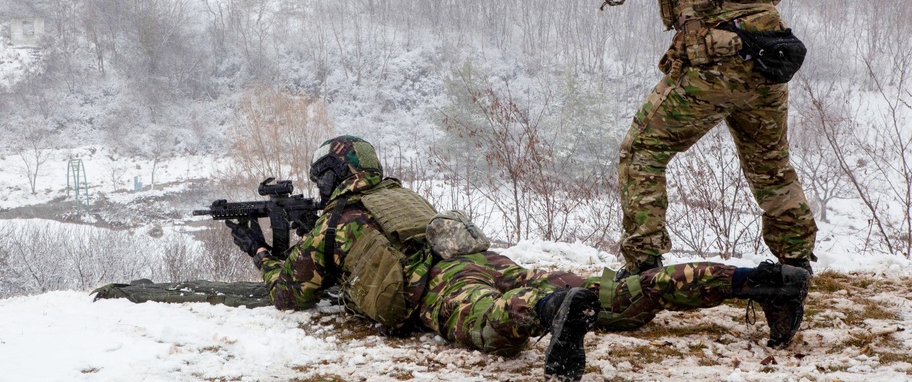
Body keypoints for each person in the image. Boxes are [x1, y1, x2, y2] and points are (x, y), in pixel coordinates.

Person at [227, 135, 811, 382]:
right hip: (493, 261)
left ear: (333, 178)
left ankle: (556, 309)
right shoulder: (399, 197)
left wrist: (258, 248)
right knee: (624, 296)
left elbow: (291, 294)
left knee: (492, 326)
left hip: (442, 288)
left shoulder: (333, 222)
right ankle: (760, 281)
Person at [554, 0, 818, 282]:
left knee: (641, 151)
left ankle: (642, 268)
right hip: (770, 58)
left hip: (714, 65)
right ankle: (796, 267)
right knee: (770, 165)